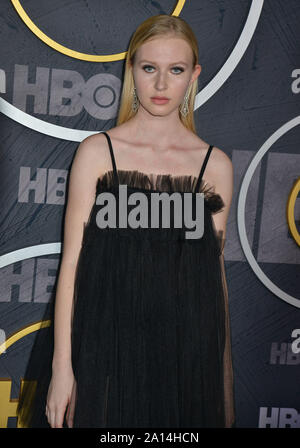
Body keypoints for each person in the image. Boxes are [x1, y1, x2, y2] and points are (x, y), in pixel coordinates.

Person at [18, 14, 235, 428]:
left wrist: (215, 378)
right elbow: (72, 265)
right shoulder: (98, 153)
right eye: (149, 68)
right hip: (106, 353)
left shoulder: (215, 166)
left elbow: (212, 276)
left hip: (184, 360)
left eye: (176, 70)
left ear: (194, 76)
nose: (160, 85)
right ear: (131, 70)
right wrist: (63, 368)